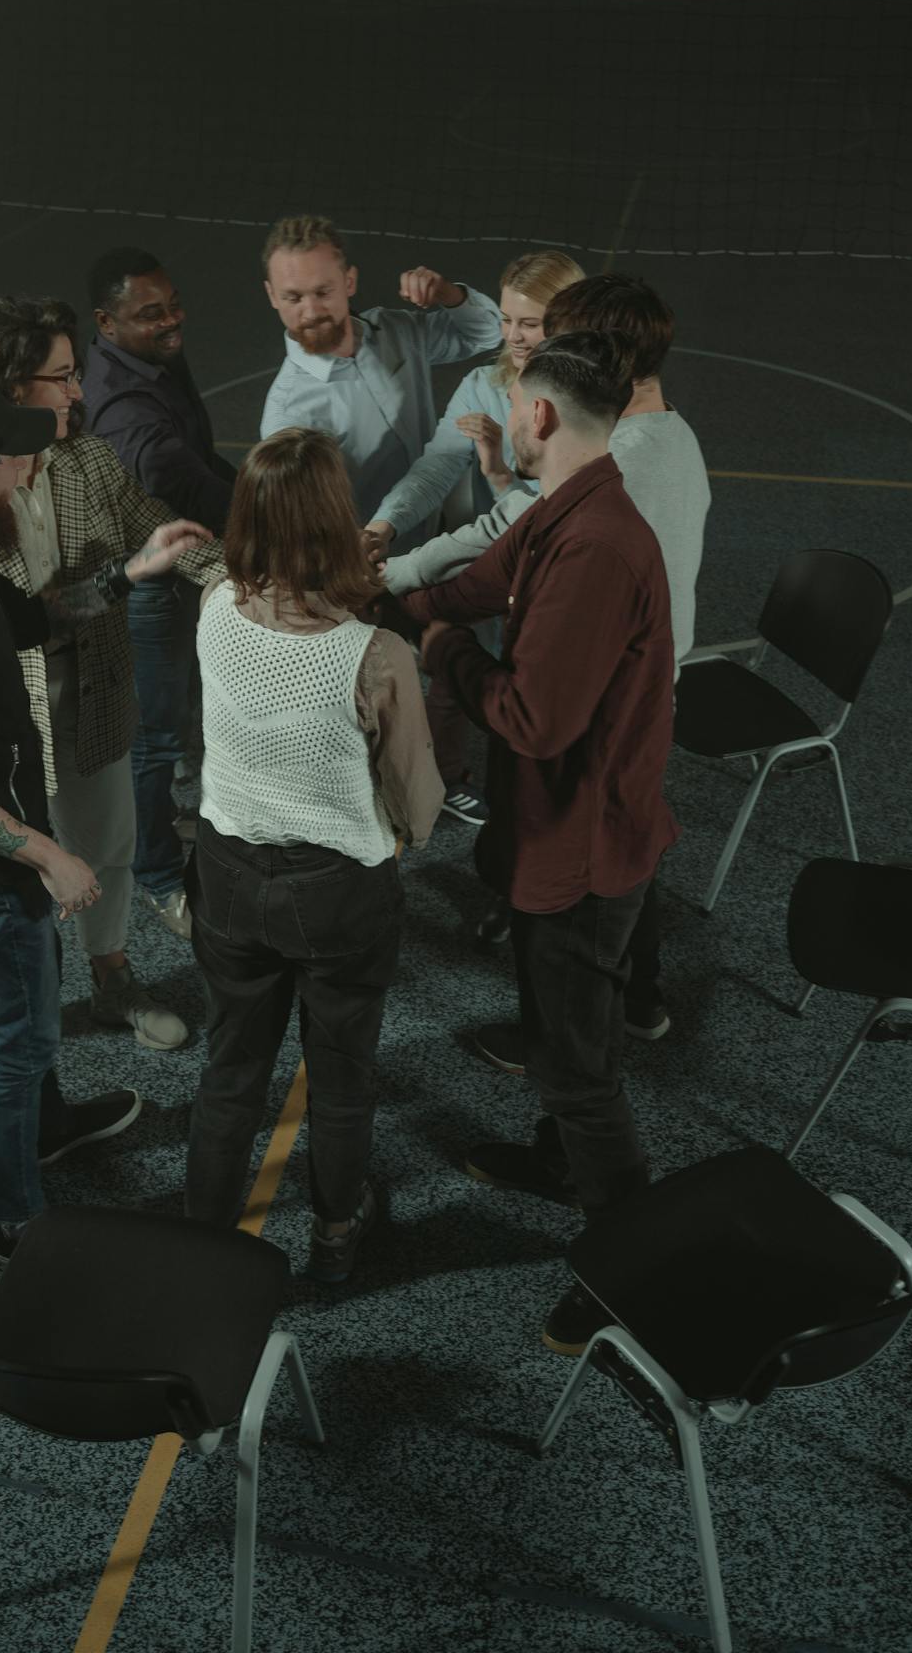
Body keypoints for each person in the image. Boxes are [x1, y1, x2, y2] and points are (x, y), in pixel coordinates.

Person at [0, 378, 209, 1259]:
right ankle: (14, 1220)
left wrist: (127, 574)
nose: (32, 473)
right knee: (13, 1044)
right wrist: (46, 857)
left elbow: (23, 618)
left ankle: (49, 1126)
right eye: (16, 462)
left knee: (28, 1001)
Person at [397, 332, 678, 1352]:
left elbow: (534, 721)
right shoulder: (568, 503)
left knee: (580, 1068)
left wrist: (437, 652)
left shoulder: (599, 545)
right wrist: (392, 601)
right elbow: (476, 584)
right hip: (554, 835)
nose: (509, 412)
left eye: (514, 399)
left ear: (542, 415)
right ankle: (560, 1161)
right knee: (564, 1028)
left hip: (586, 848)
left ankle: (629, 1266)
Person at [0, 297, 223, 1054]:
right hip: (4, 713)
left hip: (93, 689)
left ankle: (113, 979)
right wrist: (119, 578)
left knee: (107, 843)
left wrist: (258, 595)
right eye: (62, 377)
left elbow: (164, 538)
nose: (78, 393)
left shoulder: (90, 462)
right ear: (9, 389)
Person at [385, 274, 710, 1033]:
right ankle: (634, 1001)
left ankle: (575, 1034)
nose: (535, 347)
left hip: (613, 690)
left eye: (560, 341)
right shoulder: (656, 438)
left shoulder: (612, 473)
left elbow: (502, 535)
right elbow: (508, 547)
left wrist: (417, 614)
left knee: (586, 854)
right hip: (637, 680)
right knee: (623, 839)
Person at [184, 428, 443, 1283]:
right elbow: (420, 803)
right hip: (336, 890)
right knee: (339, 1076)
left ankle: (206, 1241)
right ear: (338, 519)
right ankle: (335, 1232)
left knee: (230, 1071)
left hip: (225, 873)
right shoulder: (375, 656)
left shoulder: (214, 606)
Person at [361, 251, 584, 827]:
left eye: (528, 324)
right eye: (507, 320)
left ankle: (533, 803)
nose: (511, 336)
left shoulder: (586, 401)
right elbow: (435, 467)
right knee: (454, 659)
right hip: (489, 559)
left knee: (537, 689)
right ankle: (447, 777)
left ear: (567, 321)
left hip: (557, 570)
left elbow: (541, 509)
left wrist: (499, 477)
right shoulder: (485, 384)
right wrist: (385, 525)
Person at [84, 249, 238, 939]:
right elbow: (180, 476)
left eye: (173, 303)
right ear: (106, 322)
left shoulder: (150, 361)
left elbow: (201, 456)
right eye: (151, 314)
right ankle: (154, 874)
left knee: (176, 723)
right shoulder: (125, 410)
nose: (172, 320)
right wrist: (265, 515)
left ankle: (163, 825)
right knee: (152, 740)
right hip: (153, 585)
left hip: (179, 565)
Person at [259, 214, 503, 553]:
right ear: (272, 295)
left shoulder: (395, 330)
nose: (311, 311)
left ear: (349, 282)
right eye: (293, 298)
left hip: (439, 528)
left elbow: (487, 333)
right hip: (376, 563)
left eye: (323, 291)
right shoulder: (287, 418)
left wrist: (448, 294)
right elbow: (305, 533)